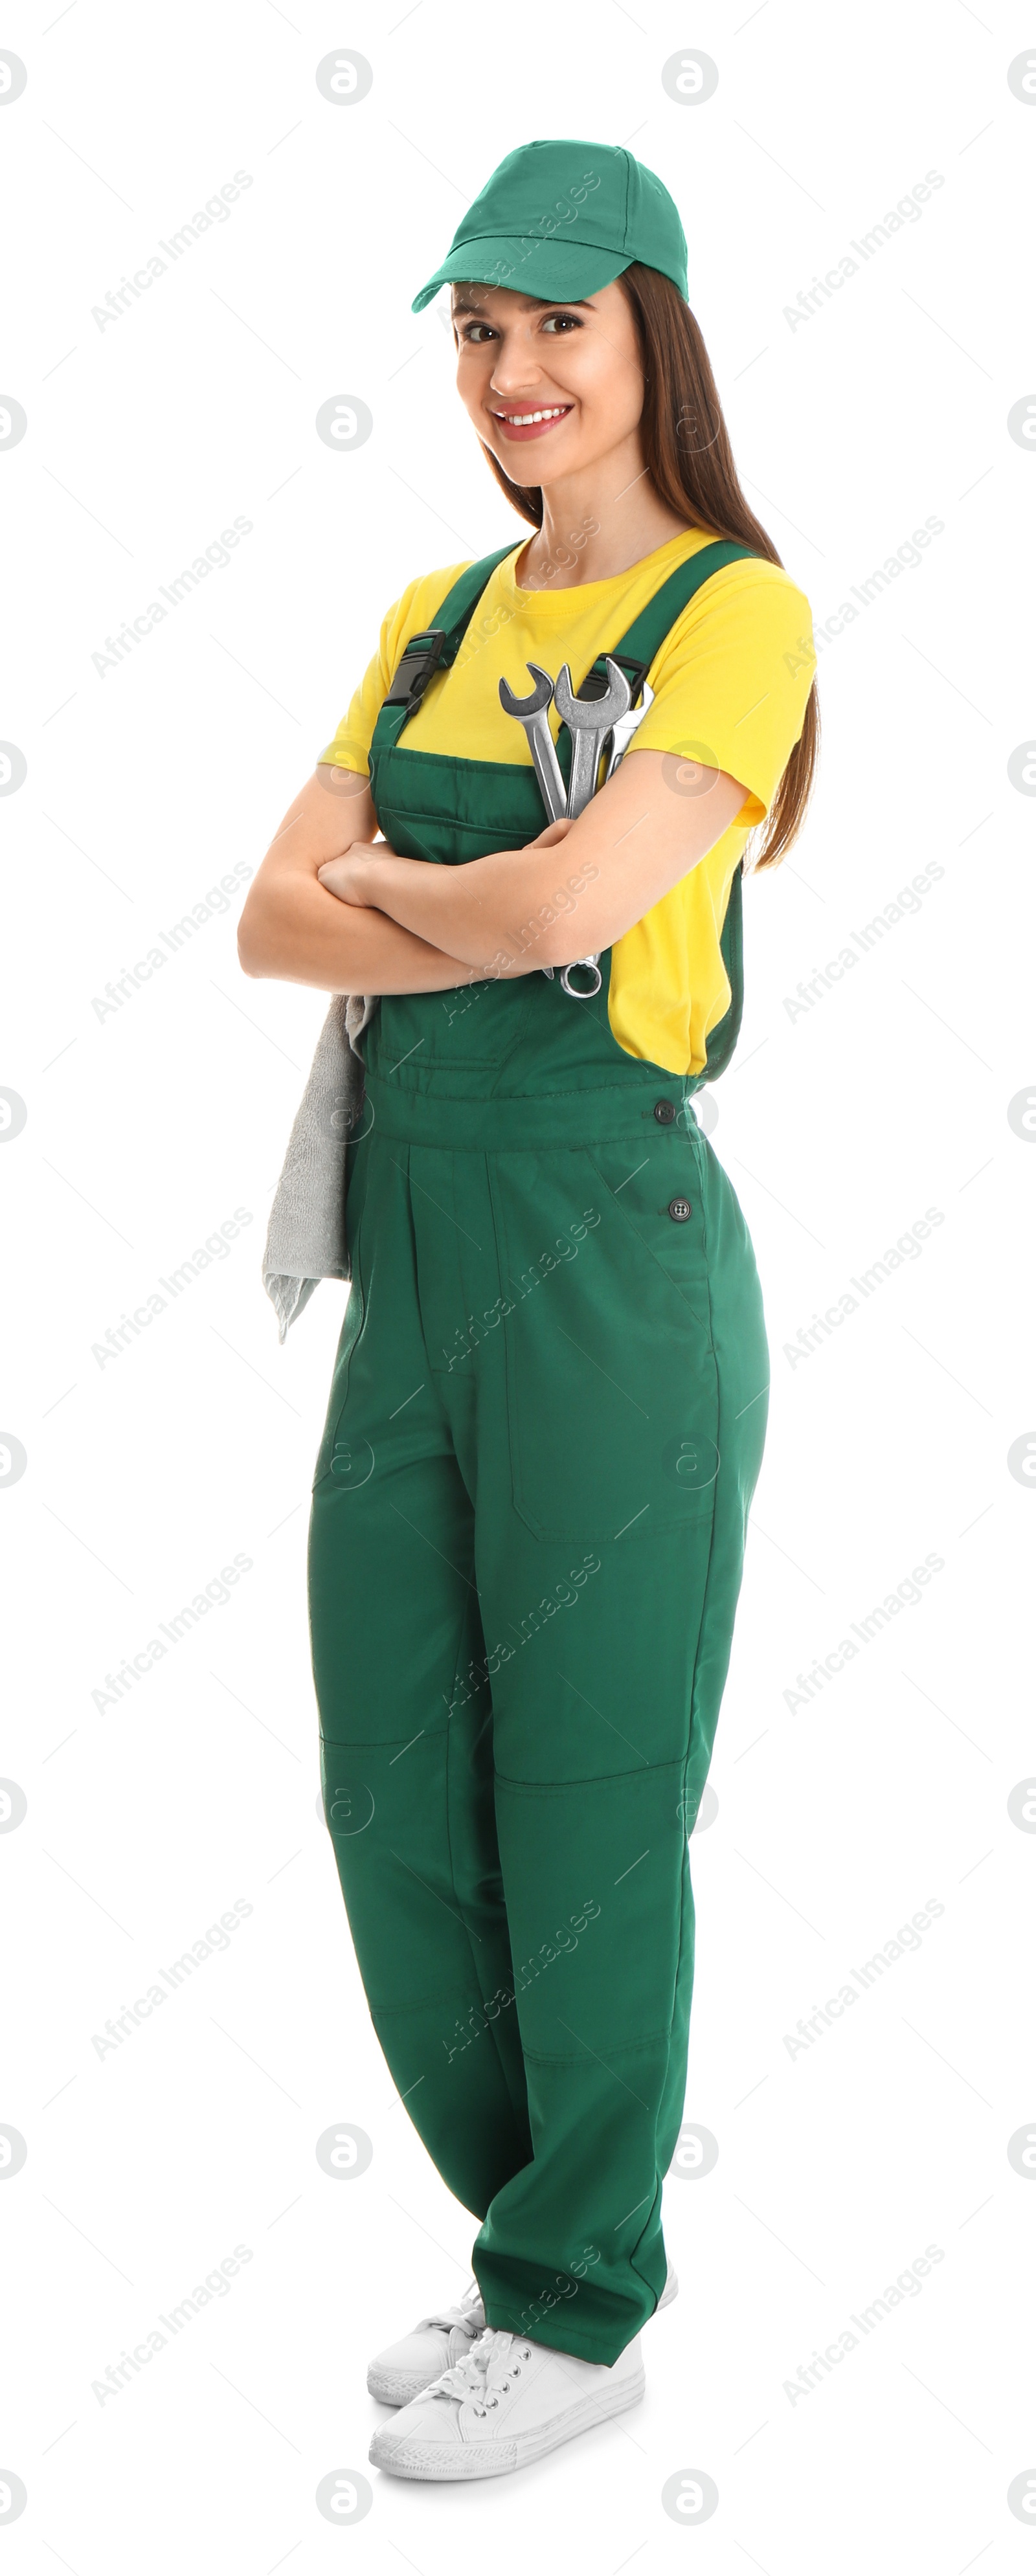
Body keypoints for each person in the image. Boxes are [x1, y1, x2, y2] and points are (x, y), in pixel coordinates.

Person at [238, 136, 818, 2483]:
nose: (511, 372)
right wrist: (453, 902)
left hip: (611, 1264)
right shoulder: (433, 618)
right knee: (395, 1777)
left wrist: (418, 879)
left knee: (588, 1801)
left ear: (650, 334)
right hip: (419, 1271)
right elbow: (276, 922)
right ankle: (532, 2247)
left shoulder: (733, 618)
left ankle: (584, 2301)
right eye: (476, 332)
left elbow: (580, 888)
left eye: (557, 323)